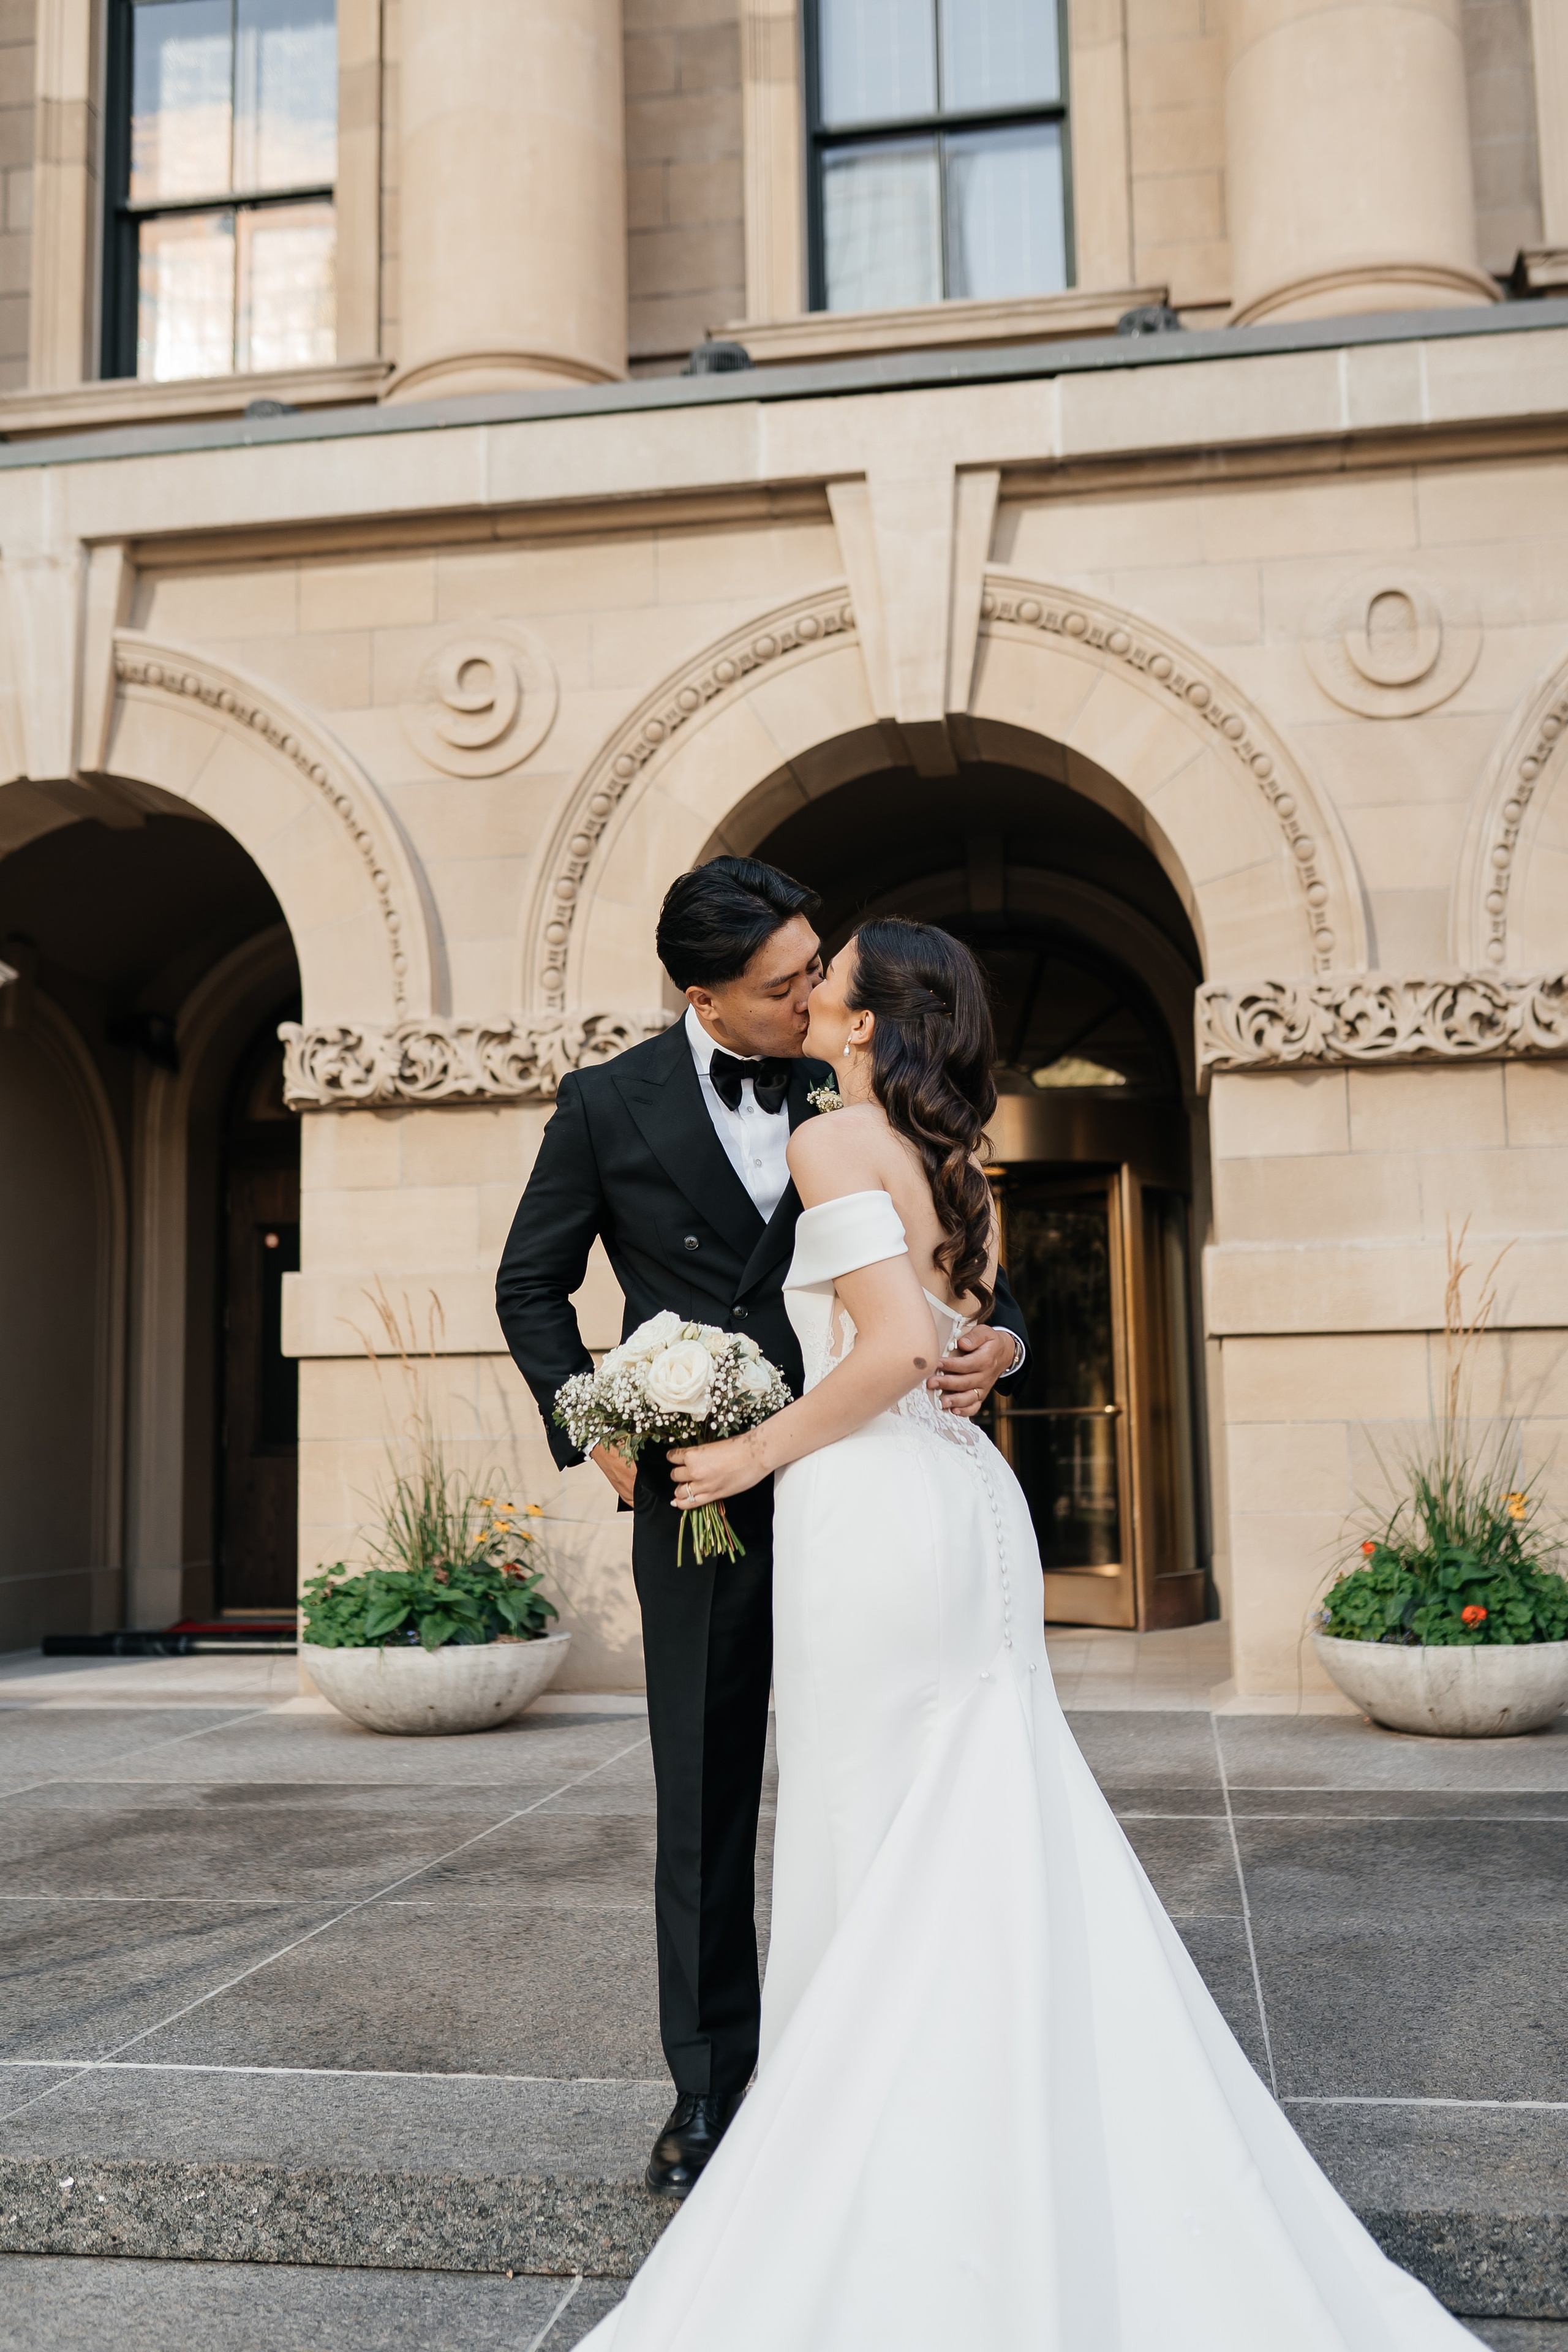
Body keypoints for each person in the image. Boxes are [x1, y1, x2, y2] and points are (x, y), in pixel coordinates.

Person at [571, 916, 1478, 2351]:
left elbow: (878, 1353)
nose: (811, 993)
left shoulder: (828, 1144)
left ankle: (873, 2147)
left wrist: (750, 1459)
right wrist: (981, 1351)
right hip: (962, 1506)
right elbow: (958, 1347)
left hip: (866, 1507)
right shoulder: (955, 1163)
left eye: (833, 980)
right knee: (973, 1801)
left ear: (866, 1024)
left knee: (872, 1822)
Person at [495, 861, 1028, 2198]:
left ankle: (899, 2055)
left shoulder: (851, 1085)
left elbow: (958, 1259)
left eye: (812, 969)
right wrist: (602, 1439)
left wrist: (1006, 1340)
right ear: (703, 995)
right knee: (707, 1792)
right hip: (695, 1494)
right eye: (780, 983)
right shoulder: (603, 1103)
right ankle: (713, 2092)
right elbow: (530, 1287)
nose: (807, 996)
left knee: (882, 1774)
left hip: (862, 1474)